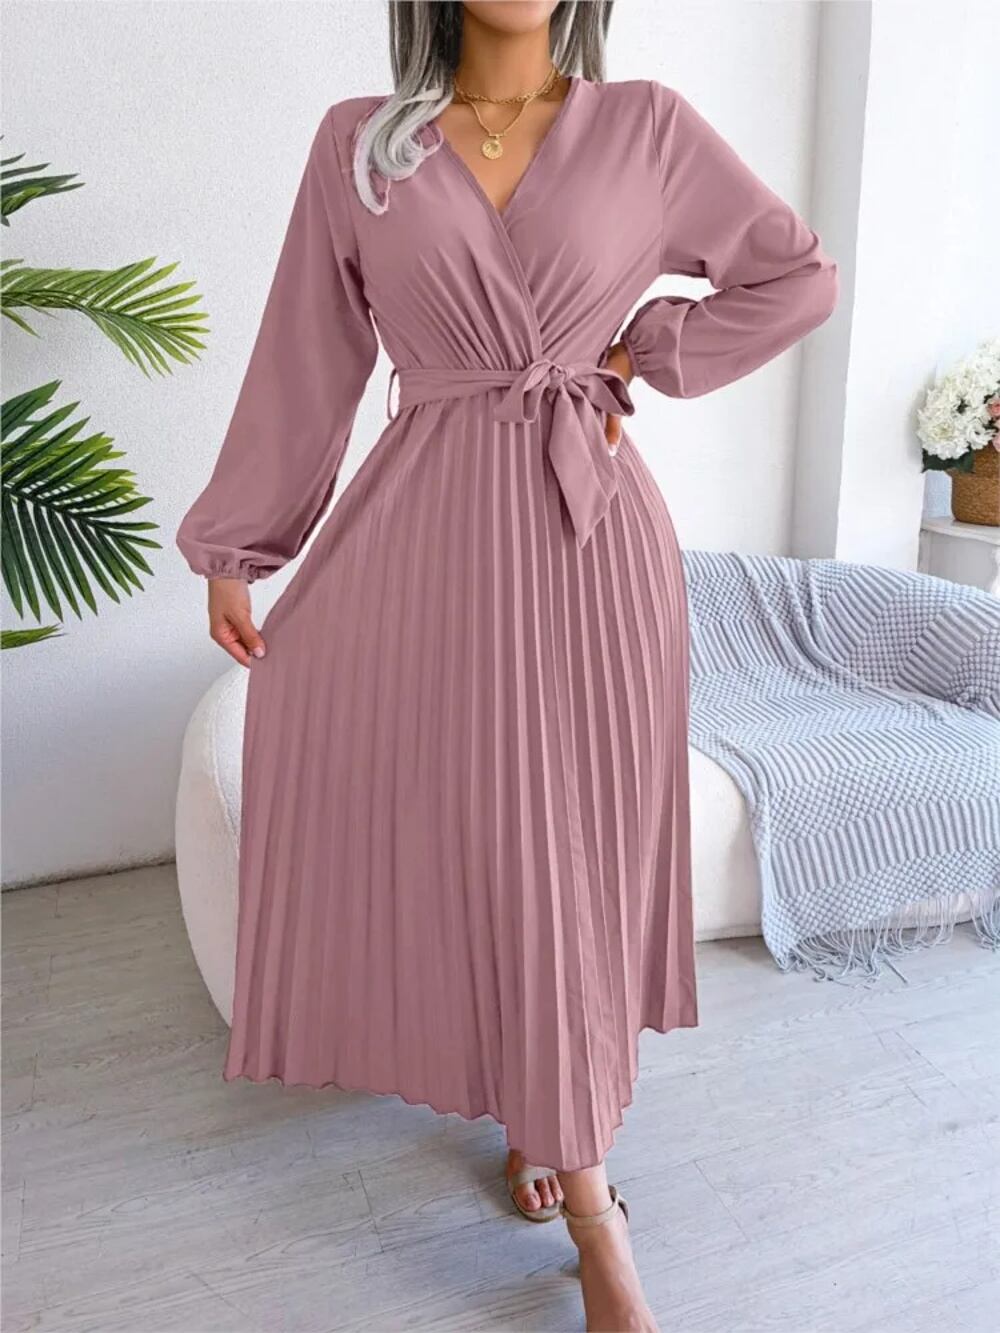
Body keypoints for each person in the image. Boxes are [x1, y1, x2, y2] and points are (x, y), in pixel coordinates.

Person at [176, 3, 838, 1328]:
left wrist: (650, 348)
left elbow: (797, 277)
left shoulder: (646, 127)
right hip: (426, 544)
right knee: (489, 840)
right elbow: (309, 353)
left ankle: (574, 1159)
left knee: (573, 853)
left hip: (594, 545)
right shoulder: (360, 146)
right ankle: (572, 1161)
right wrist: (240, 543)